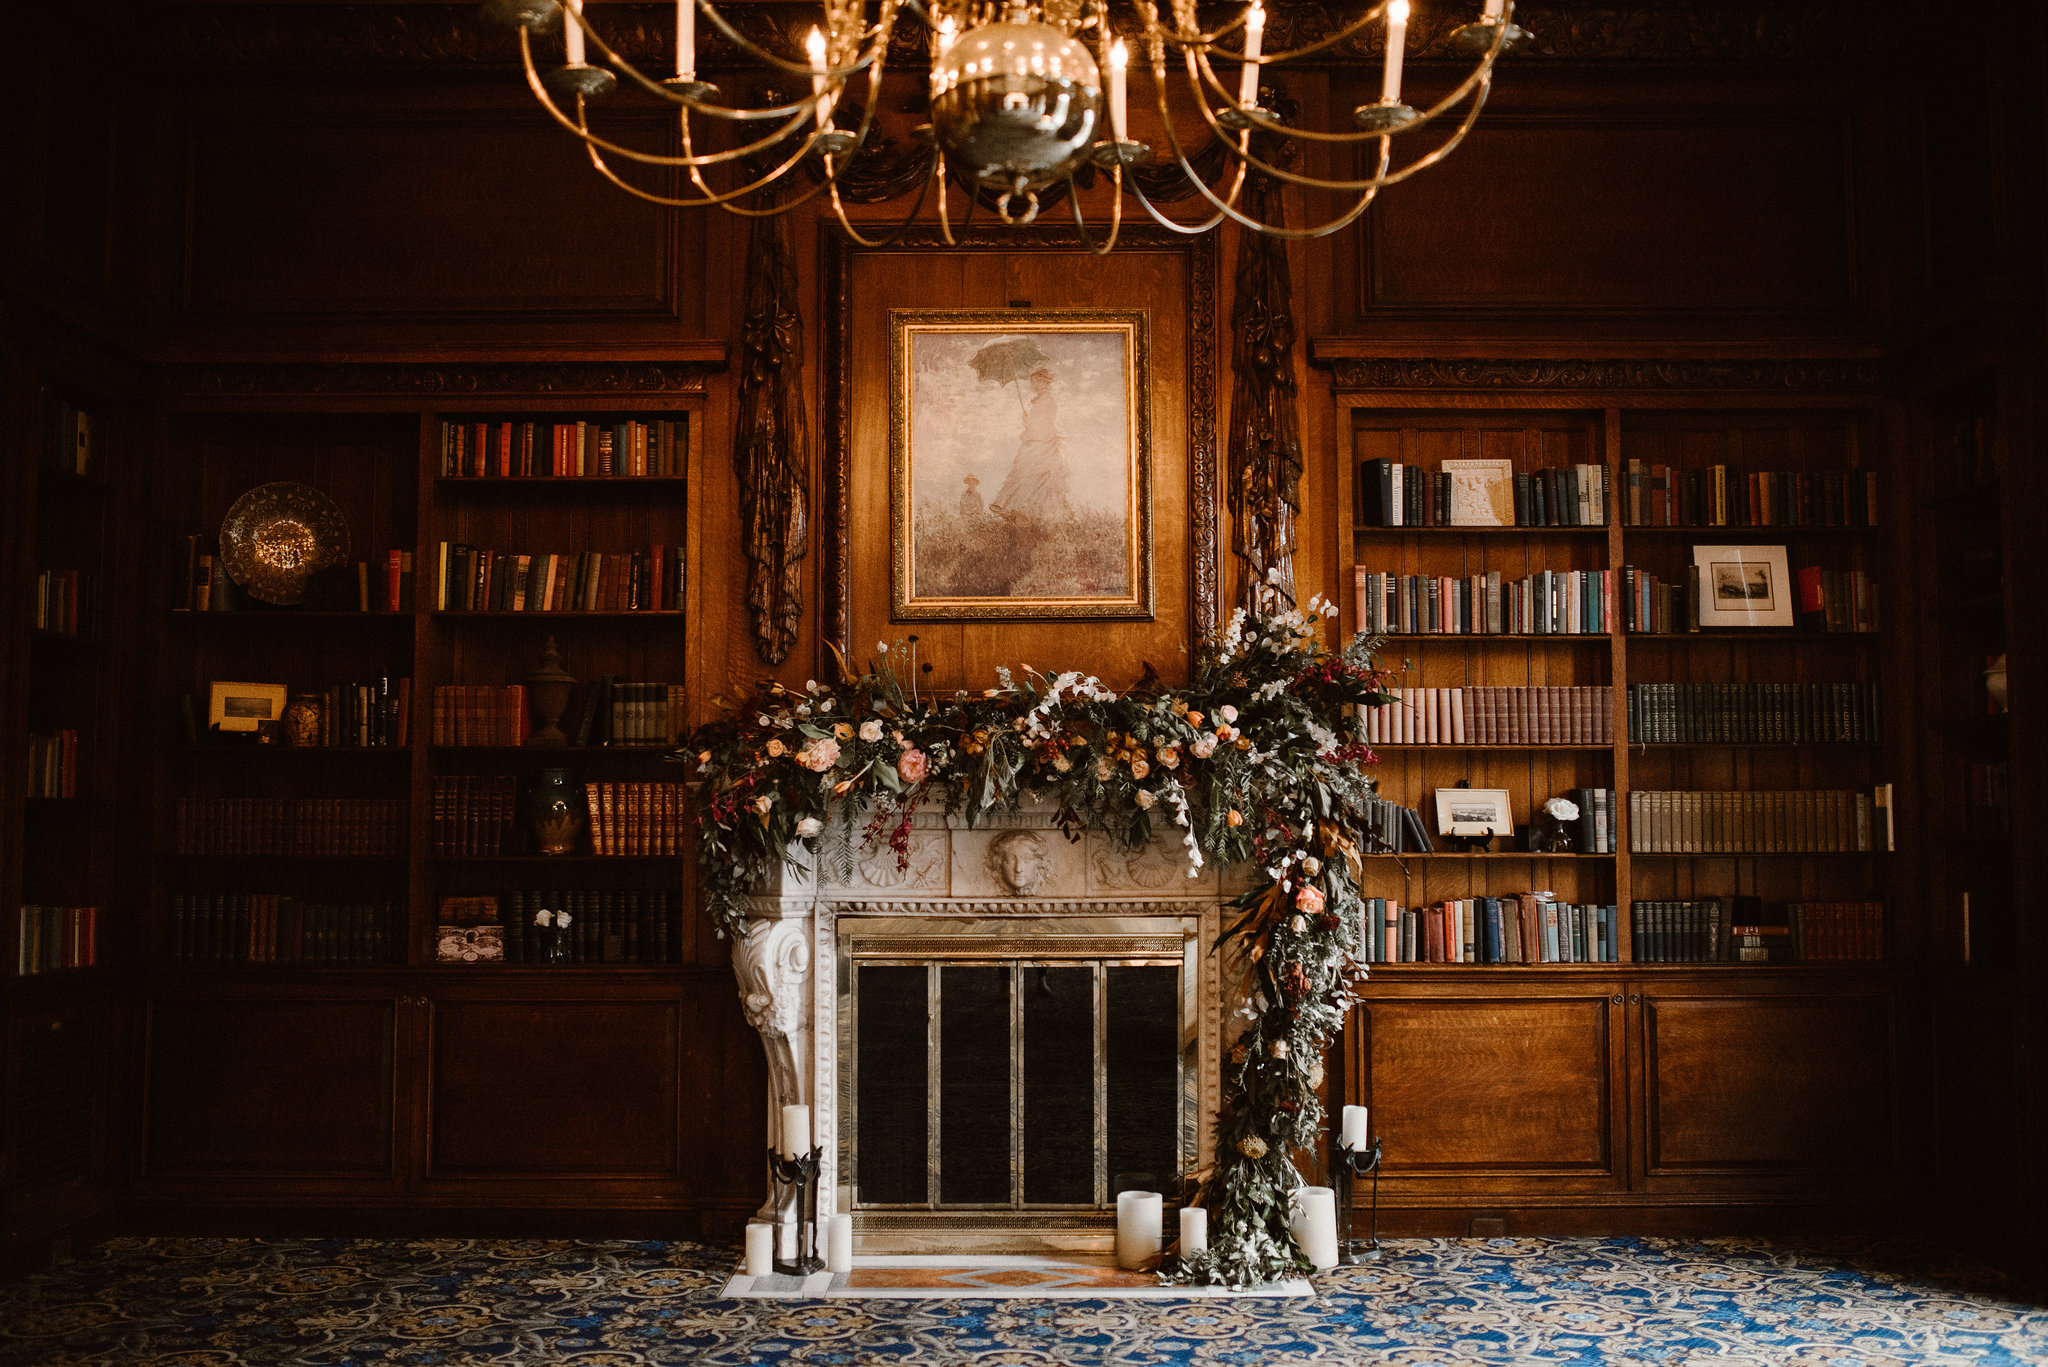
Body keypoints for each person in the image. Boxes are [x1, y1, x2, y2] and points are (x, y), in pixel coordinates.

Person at [988, 366, 1073, 523]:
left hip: (1043, 442)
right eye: (1032, 382)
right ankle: (1013, 508)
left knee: (1037, 477)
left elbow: (1043, 423)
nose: (1032, 386)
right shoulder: (1040, 400)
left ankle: (1027, 512)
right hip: (1034, 440)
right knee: (1023, 473)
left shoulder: (1048, 400)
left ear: (1043, 381)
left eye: (1035, 382)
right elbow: (1035, 423)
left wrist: (1030, 422)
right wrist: (1028, 420)